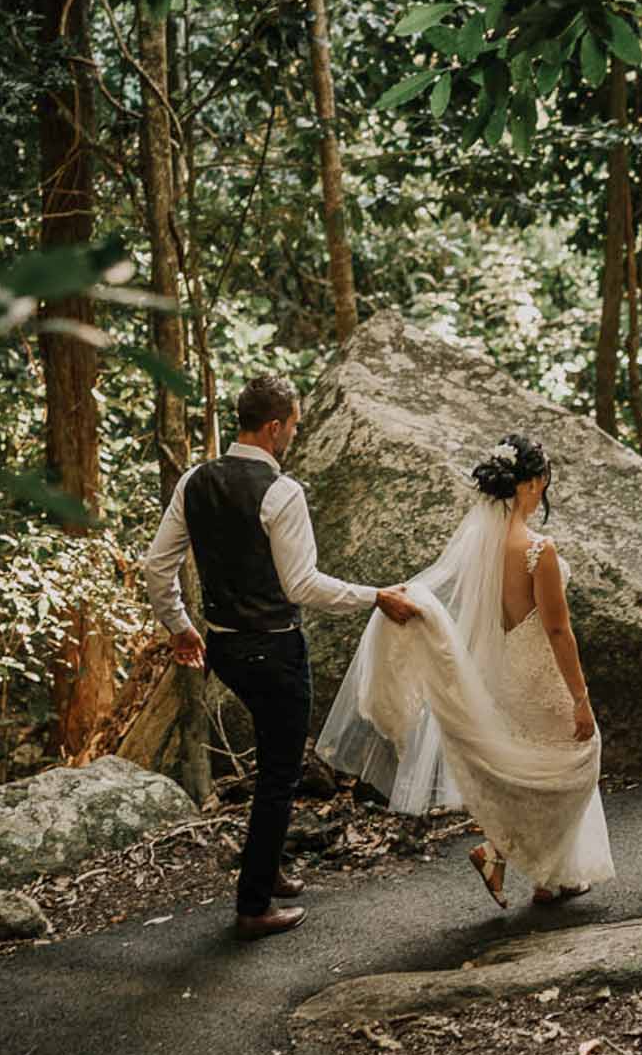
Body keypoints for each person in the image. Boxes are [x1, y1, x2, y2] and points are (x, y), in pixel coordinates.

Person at [143, 372, 416, 939]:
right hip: (274, 648)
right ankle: (252, 907)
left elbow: (155, 566)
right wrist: (376, 597)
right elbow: (303, 585)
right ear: (274, 427)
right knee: (278, 774)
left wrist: (181, 627)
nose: (294, 432)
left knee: (273, 765)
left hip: (223, 648)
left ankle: (265, 868)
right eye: (293, 424)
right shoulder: (281, 492)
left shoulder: (195, 479)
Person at [317, 431, 613, 908]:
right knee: (574, 763)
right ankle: (512, 858)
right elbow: (559, 633)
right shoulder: (540, 550)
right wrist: (580, 697)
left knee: (532, 772)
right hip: (539, 674)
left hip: (504, 675)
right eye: (543, 483)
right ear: (533, 482)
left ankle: (544, 876)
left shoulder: (481, 548)